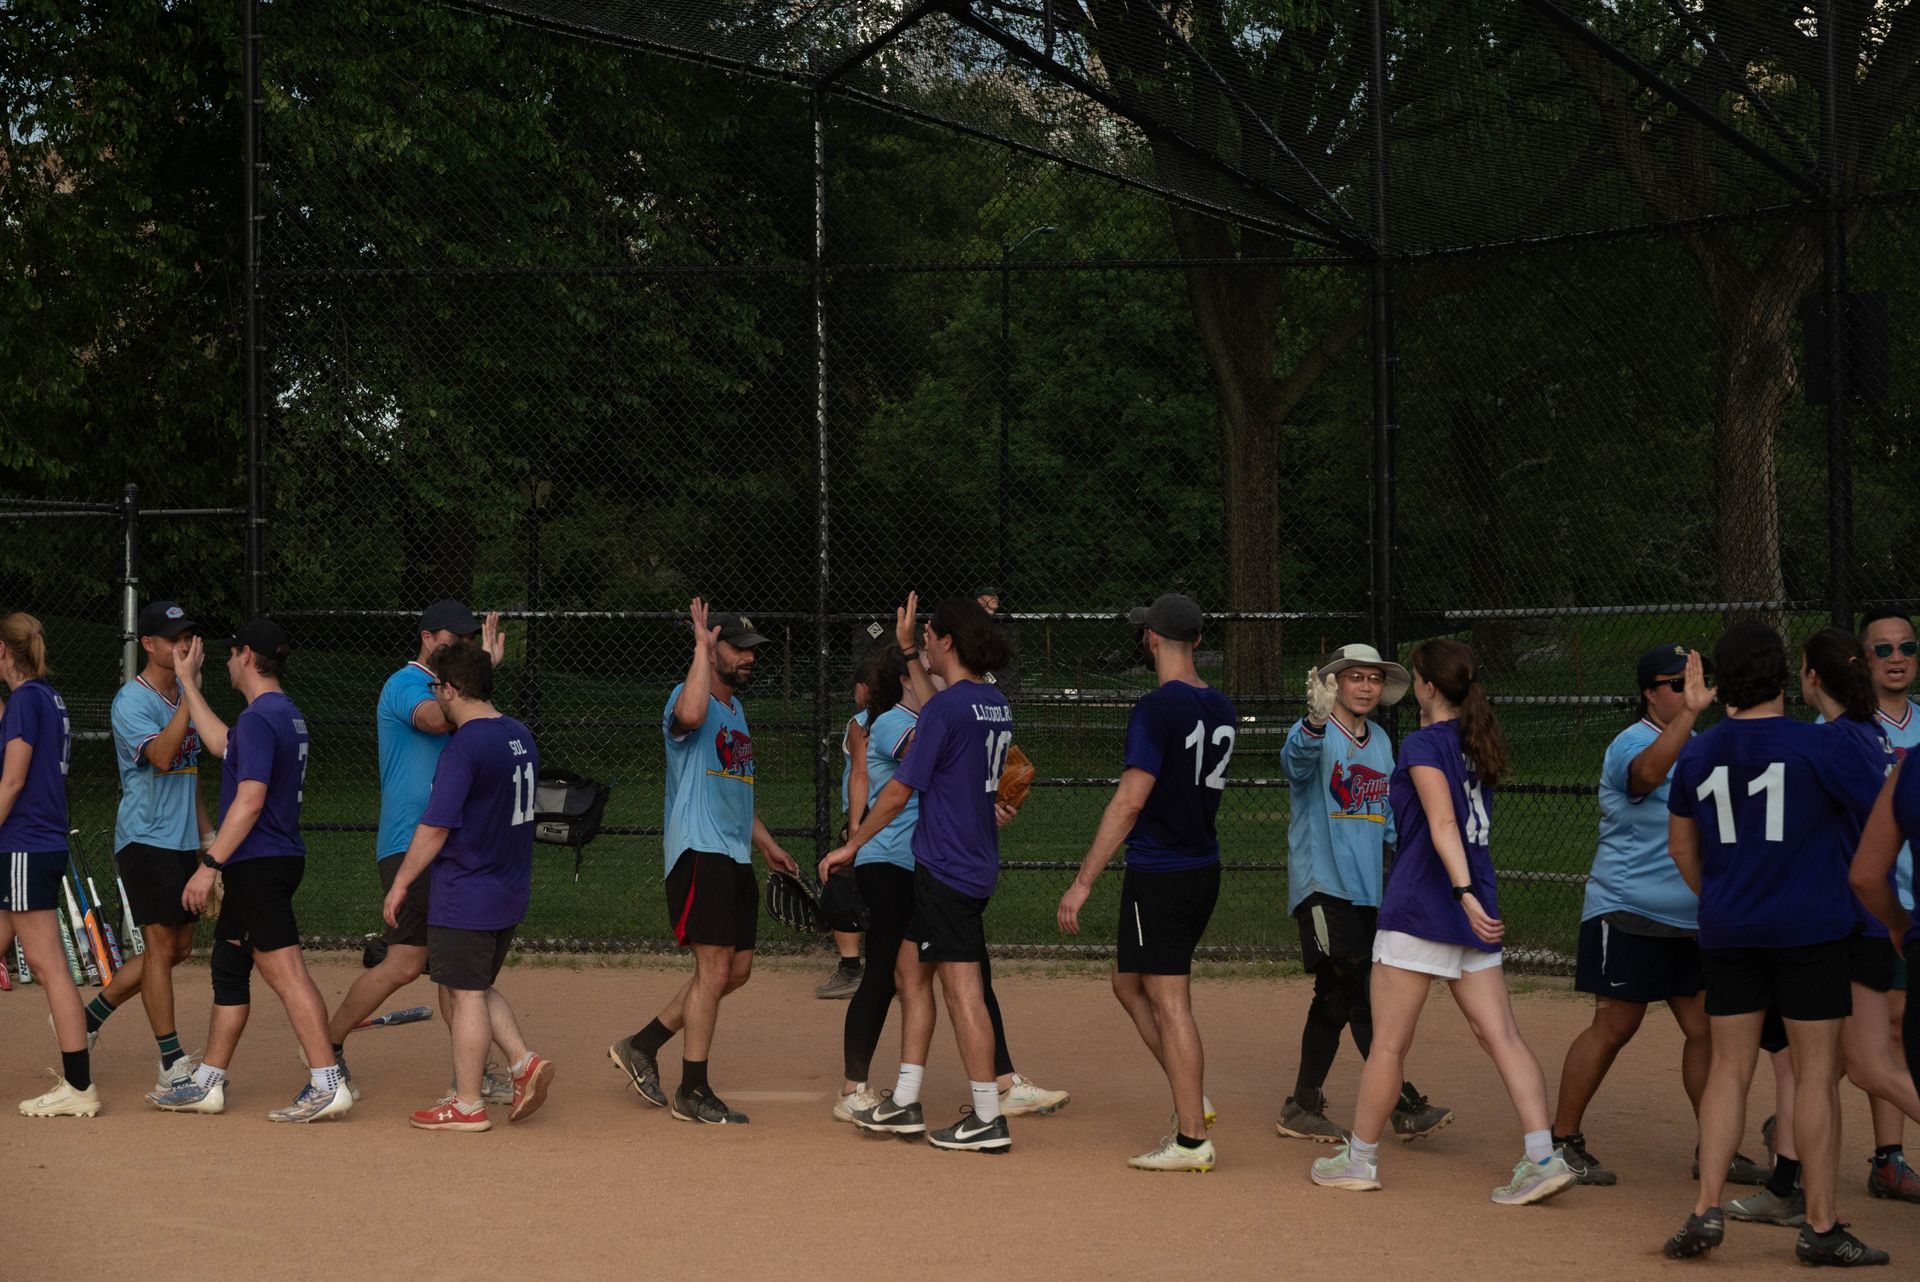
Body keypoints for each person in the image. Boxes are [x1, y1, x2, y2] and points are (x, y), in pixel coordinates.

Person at [1310, 638, 1575, 1205]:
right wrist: (1473, 896)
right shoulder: (1477, 741)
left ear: (1428, 688)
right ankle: (1542, 1156)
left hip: (1425, 908)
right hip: (1474, 912)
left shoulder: (1424, 744)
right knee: (1502, 1035)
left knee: (1388, 1045)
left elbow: (1442, 825)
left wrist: (1459, 892)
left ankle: (1358, 1160)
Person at [1661, 622, 1887, 1265]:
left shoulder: (1698, 753)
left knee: (1729, 1070)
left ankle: (1706, 1210)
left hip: (1730, 928)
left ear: (1721, 681)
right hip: (1810, 929)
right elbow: (1879, 818)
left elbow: (1681, 846)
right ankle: (1819, 1226)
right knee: (1816, 1075)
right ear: (1789, 678)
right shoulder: (1821, 747)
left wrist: (1723, 897)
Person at [825, 599, 1066, 1128]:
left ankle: (985, 1116)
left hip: (944, 865)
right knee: (912, 974)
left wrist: (850, 843)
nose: (926, 645)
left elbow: (897, 792)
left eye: (933, 637)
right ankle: (906, 1099)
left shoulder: (939, 710)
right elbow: (945, 716)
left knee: (962, 990)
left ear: (949, 642)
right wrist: (912, 648)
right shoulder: (993, 701)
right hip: (966, 860)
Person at [1732, 629, 1920, 1226]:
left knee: (1853, 1065)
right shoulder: (1861, 737)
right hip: (1851, 921)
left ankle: (1791, 1188)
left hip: (1843, 923)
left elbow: (1867, 853)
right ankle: (1789, 1184)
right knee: (1826, 1064)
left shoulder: (1836, 744)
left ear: (1811, 677)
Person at [148, 619, 352, 1123]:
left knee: (286, 973)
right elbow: (222, 744)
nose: (224, 661)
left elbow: (251, 797)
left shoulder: (262, 718)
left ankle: (328, 1082)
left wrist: (209, 865)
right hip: (266, 859)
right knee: (230, 968)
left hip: (257, 862)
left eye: (229, 653)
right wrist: (189, 686)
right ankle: (208, 1081)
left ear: (245, 657)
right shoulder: (279, 713)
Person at [1056, 593, 1233, 1172]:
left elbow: (1130, 801)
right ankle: (1192, 1094)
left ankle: (1190, 1140)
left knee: (1169, 1000)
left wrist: (1083, 882)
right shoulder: (1222, 706)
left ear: (1153, 639)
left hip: (1161, 873)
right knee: (1127, 983)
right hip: (1202, 867)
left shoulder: (1157, 708)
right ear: (1198, 640)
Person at [608, 600, 799, 1124]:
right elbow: (689, 716)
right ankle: (693, 1090)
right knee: (712, 970)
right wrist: (698, 648)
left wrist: (766, 844)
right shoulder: (688, 697)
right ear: (713, 650)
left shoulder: (736, 712)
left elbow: (737, 789)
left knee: (735, 972)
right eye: (738, 649)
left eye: (752, 652)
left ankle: (642, 1044)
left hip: (734, 853)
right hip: (700, 852)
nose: (749, 659)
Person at [1551, 646, 1722, 1186]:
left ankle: (1714, 1145)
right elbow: (1644, 778)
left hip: (1691, 919)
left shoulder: (1697, 747)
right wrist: (1692, 714)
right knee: (1615, 1025)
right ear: (1649, 692)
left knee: (1706, 1031)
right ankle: (1562, 1141)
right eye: (1675, 684)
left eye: (1692, 682)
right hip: (1628, 909)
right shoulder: (1632, 740)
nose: (1685, 691)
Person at [324, 600, 507, 1101]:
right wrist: (479, 677)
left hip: (451, 841)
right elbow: (434, 720)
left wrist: (475, 680)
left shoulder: (457, 686)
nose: (464, 646)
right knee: (406, 961)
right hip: (411, 842)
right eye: (455, 639)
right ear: (427, 638)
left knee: (455, 969)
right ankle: (326, 1046)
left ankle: (471, 1075)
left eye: (471, 641)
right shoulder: (406, 683)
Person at [1277, 641, 1450, 1145]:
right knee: (1357, 990)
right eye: (1355, 677)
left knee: (1336, 998)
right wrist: (1312, 722)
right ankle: (1402, 1102)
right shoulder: (1313, 731)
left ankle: (1301, 1105)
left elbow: (1390, 814)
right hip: (1321, 885)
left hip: (1367, 891)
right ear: (1336, 683)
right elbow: (1294, 765)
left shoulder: (1379, 741)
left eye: (1374, 679)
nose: (1366, 686)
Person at [381, 641, 553, 1131]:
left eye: (437, 688)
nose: (436, 697)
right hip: (509, 883)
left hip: (467, 885)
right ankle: (523, 1063)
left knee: (466, 993)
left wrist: (401, 884)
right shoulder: (519, 734)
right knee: (474, 985)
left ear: (452, 689)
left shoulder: (464, 747)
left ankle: (468, 1103)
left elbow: (435, 827)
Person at [87, 601, 218, 1095]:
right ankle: (170, 1064)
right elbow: (163, 757)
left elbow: (190, 773)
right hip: (145, 839)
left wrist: (209, 842)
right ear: (147, 644)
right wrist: (191, 693)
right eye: (172, 639)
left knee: (180, 947)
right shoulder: (132, 702)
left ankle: (90, 1017)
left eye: (187, 636)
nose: (183, 645)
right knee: (161, 947)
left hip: (182, 839)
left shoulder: (179, 696)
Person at [2, 613, 97, 1118]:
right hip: (38, 842)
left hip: (23, 844)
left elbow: (13, 781)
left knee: (49, 966)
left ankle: (79, 1087)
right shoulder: (44, 698)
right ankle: (79, 1085)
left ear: (3, 652)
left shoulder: (25, 701)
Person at [1857, 607, 1920, 1200]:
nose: (1896, 658)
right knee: (1889, 1033)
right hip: (1883, 908)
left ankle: (1790, 1137)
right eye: (1883, 650)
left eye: (1906, 647)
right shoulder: (1849, 732)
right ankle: (1889, 1157)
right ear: (1863, 660)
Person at [818, 663, 871, 1000]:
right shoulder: (912, 717)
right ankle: (891, 967)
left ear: (864, 688)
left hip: (866, 813)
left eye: (856, 688)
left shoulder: (861, 722)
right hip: (899, 815)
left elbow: (860, 775)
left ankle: (851, 969)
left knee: (840, 881)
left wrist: (853, 830)